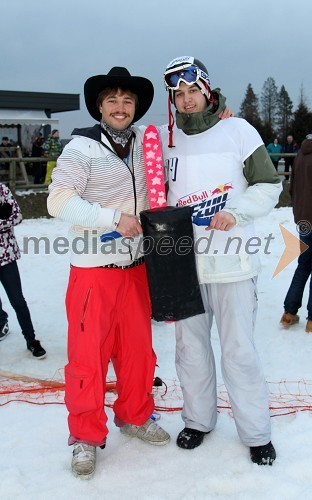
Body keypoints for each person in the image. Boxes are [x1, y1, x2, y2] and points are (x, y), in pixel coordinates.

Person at [47, 66, 170, 480]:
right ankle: (85, 436)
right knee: (88, 358)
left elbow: (184, 147)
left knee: (138, 354)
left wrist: (219, 116)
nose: (120, 107)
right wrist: (112, 217)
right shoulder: (81, 149)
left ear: (136, 107)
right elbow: (58, 202)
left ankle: (135, 415)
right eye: (112, 100)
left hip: (136, 270)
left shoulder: (144, 146)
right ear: (100, 106)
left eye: (127, 100)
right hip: (93, 272)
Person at [161, 56, 282, 465]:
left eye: (192, 90)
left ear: (208, 90)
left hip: (232, 261)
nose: (186, 99)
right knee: (189, 349)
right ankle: (197, 419)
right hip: (184, 265)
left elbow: (268, 184)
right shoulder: (163, 137)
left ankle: (256, 431)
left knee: (239, 351)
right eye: (178, 93)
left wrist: (238, 212)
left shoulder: (238, 130)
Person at [280, 113, 312, 333]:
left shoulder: (302, 153)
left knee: (304, 266)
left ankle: (290, 312)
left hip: (304, 222)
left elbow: (293, 188)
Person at [0, 182, 46, 358]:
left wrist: (5, 219)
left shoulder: (2, 189)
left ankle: (31, 340)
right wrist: (4, 219)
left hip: (7, 257)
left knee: (18, 300)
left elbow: (17, 217)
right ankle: (1, 324)